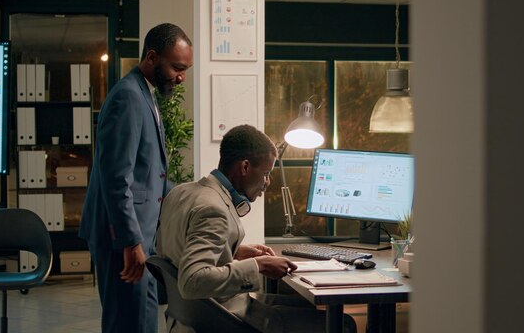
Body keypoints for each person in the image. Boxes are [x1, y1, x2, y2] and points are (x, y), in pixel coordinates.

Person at [156, 125, 356, 333]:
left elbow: (179, 250)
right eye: (266, 173)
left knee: (305, 305)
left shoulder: (181, 192)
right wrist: (257, 266)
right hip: (221, 319)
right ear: (245, 167)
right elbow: (192, 280)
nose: (267, 182)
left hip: (189, 318)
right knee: (344, 324)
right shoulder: (213, 209)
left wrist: (234, 250)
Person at [79, 23, 193, 333]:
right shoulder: (128, 97)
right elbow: (117, 178)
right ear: (152, 57)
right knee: (128, 325)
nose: (182, 77)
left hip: (136, 235)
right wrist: (131, 242)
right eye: (177, 68)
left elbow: (147, 175)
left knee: (141, 320)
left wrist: (190, 195)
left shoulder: (145, 93)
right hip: (123, 239)